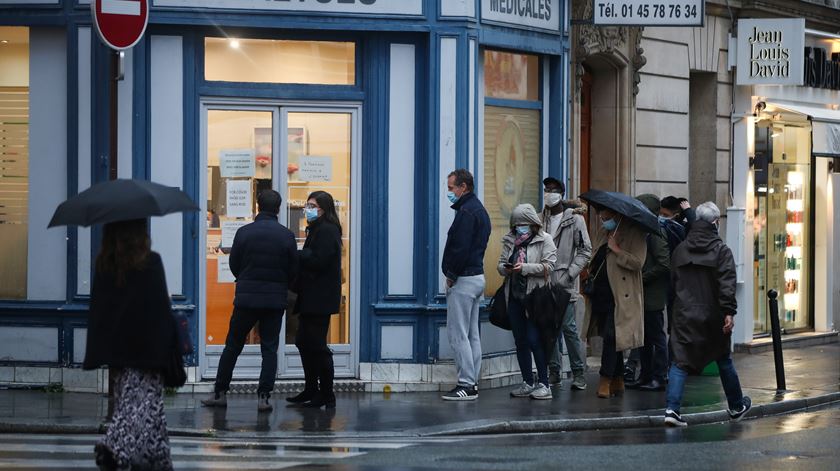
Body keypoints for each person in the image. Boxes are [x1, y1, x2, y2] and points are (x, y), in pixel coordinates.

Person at [84, 218, 177, 471]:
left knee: (131, 403)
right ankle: (115, 445)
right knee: (146, 405)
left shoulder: (106, 264)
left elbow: (100, 310)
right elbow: (160, 310)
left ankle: (156, 457)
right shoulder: (151, 261)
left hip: (119, 351)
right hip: (148, 352)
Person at [202, 190, 298, 412]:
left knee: (233, 345)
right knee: (269, 348)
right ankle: (264, 397)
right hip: (274, 301)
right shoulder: (286, 235)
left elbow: (234, 263)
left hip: (246, 299)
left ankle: (220, 393)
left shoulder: (244, 233)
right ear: (278, 208)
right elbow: (293, 270)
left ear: (257, 206)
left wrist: (245, 279)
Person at [664, 202, 751, 427]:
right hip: (712, 314)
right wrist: (729, 312)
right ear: (715, 223)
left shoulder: (681, 250)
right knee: (722, 358)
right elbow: (726, 285)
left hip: (684, 313)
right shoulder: (721, 251)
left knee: (680, 361)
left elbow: (672, 283)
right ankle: (736, 405)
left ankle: (672, 410)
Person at [583, 203, 646, 399]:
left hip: (621, 295)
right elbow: (595, 255)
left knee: (612, 335)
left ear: (617, 214)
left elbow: (638, 263)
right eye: (601, 217)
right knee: (610, 336)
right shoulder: (603, 232)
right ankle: (618, 380)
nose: (603, 220)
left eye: (606, 216)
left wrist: (617, 250)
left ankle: (605, 379)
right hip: (601, 293)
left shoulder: (635, 233)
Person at [288, 190, 343, 409]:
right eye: (307, 205)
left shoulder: (327, 230)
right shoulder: (317, 229)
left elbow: (319, 260)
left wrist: (297, 254)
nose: (307, 209)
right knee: (303, 341)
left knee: (317, 345)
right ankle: (311, 388)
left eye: (312, 206)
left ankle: (326, 394)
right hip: (312, 295)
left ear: (323, 209)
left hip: (320, 297)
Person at [441, 169, 491, 401]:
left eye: (451, 187)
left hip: (463, 279)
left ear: (463, 187)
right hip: (476, 276)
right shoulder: (478, 209)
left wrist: (451, 274)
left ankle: (466, 384)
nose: (449, 192)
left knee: (458, 334)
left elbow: (460, 248)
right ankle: (473, 382)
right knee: (472, 334)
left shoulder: (467, 212)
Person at [498, 204, 557, 400]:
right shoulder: (510, 240)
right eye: (516, 225)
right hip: (514, 296)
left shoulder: (545, 240)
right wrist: (505, 268)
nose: (519, 228)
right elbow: (500, 263)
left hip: (535, 298)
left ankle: (544, 383)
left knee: (534, 339)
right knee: (520, 340)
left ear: (533, 224)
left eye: (523, 224)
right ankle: (527, 382)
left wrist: (524, 268)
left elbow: (549, 266)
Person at [541, 177, 591, 390]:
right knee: (547, 328)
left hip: (563, 281)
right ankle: (554, 372)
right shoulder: (539, 219)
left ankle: (578, 372)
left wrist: (570, 273)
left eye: (552, 189)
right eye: (545, 189)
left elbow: (585, 250)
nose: (548, 193)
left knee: (568, 328)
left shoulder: (574, 220)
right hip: (543, 282)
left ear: (561, 193)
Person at [625, 194, 670, 392]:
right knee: (643, 338)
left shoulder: (656, 233)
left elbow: (664, 264)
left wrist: (641, 278)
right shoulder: (645, 231)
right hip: (642, 294)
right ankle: (645, 375)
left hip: (652, 296)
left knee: (657, 338)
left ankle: (659, 377)